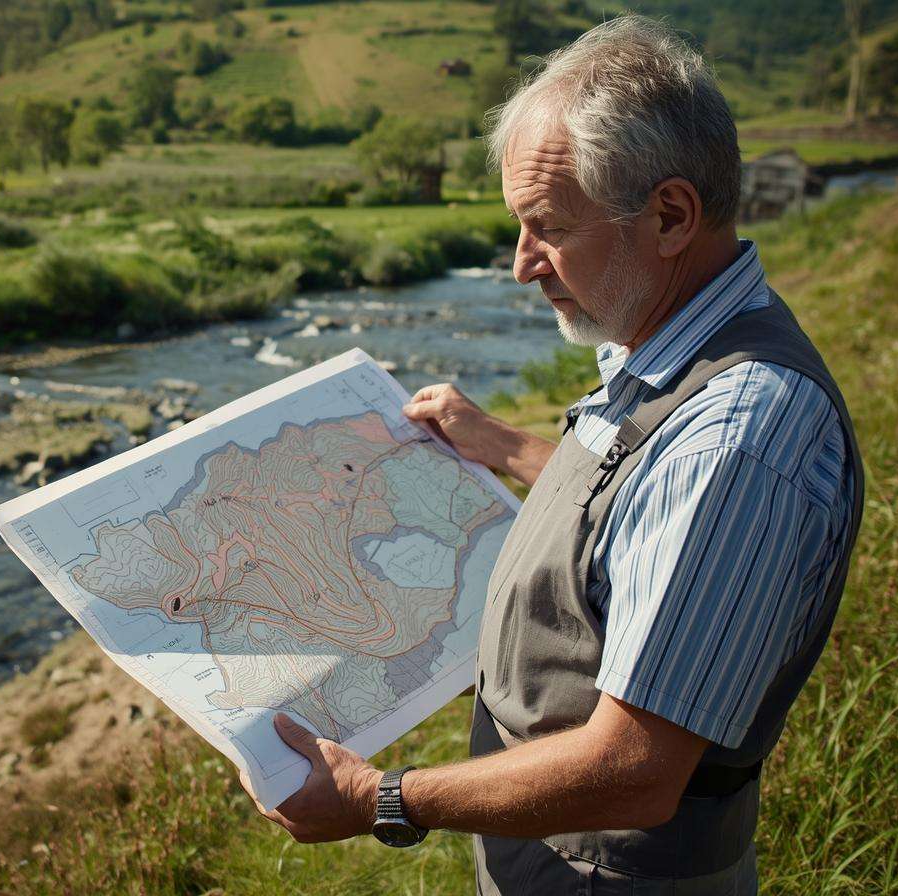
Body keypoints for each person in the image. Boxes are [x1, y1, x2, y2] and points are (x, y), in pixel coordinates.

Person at [239, 15, 865, 894]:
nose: (523, 264)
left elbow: (637, 770)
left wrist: (379, 800)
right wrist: (504, 446)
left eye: (548, 227)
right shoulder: (670, 341)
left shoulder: (740, 434)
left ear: (671, 215)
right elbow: (648, 504)